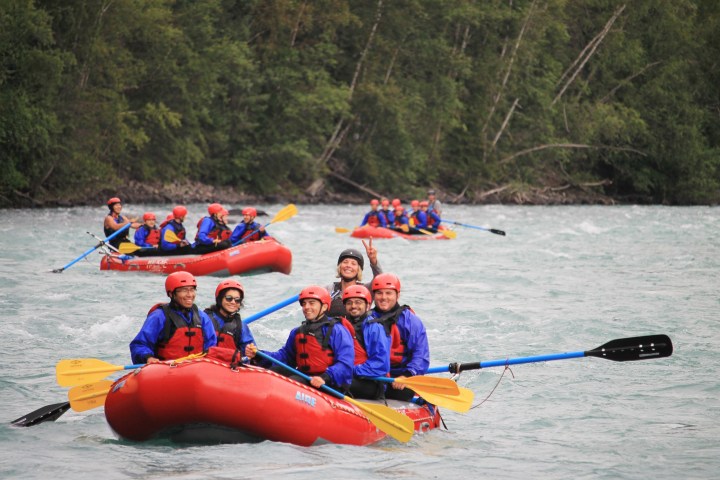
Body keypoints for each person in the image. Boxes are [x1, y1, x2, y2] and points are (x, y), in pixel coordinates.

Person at [245, 286, 354, 391]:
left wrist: (325, 377)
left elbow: (345, 363)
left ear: (324, 307)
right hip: (306, 378)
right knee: (274, 371)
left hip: (329, 383)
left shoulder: (337, 330)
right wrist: (259, 355)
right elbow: (284, 358)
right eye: (304, 304)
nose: (306, 307)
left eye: (312, 303)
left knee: (294, 382)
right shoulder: (297, 332)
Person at [130, 272, 217, 364]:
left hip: (195, 368)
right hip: (166, 369)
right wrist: (148, 357)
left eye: (192, 290)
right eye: (184, 290)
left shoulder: (202, 317)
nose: (190, 295)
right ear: (171, 294)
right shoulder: (159, 316)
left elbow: (211, 346)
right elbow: (139, 345)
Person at [367, 273, 430, 401]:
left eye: (388, 293)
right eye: (379, 293)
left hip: (400, 379)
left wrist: (406, 376)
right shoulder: (367, 319)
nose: (383, 297)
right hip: (374, 377)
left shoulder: (411, 321)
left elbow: (421, 355)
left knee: (403, 393)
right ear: (373, 296)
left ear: (397, 295)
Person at [339, 285, 390, 399]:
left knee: (337, 382)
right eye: (349, 303)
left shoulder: (374, 328)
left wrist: (351, 370)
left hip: (372, 382)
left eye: (358, 302)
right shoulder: (340, 326)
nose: (353, 306)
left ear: (367, 305)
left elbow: (381, 364)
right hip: (349, 375)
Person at [326, 240, 383, 317]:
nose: (348, 265)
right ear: (340, 266)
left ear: (358, 270)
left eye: (353, 263)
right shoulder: (329, 289)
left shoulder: (366, 289)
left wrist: (373, 261)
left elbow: (380, 280)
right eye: (345, 262)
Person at [204, 279, 256, 353]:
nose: (233, 302)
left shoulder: (241, 327)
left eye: (237, 300)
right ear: (220, 299)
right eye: (229, 298)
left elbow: (249, 354)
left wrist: (250, 353)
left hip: (228, 363)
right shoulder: (205, 318)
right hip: (203, 361)